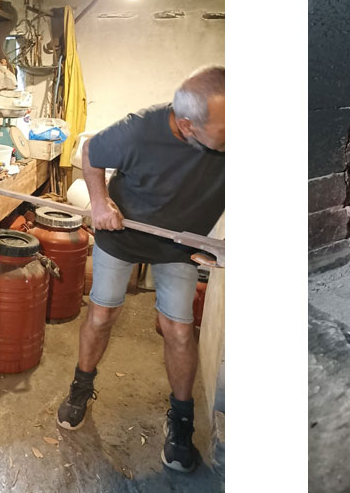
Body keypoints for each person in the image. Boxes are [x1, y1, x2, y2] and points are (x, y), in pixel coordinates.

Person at [57, 65, 225, 473]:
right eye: (226, 132)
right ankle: (81, 386)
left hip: (180, 244)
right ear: (187, 126)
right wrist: (100, 203)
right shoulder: (138, 131)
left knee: (179, 330)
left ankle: (181, 420)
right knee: (101, 315)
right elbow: (91, 151)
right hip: (123, 235)